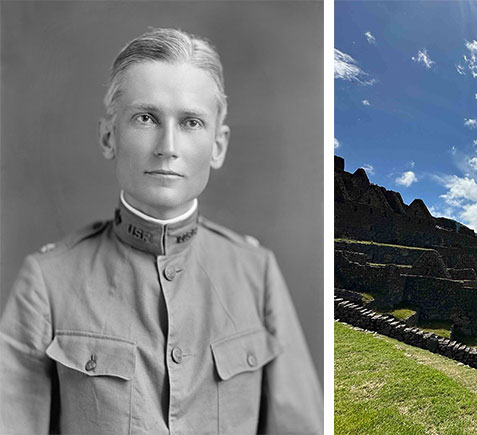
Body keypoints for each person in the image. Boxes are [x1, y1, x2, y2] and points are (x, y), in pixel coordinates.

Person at [0, 28, 322, 434]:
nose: (167, 146)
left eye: (190, 122)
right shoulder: (48, 280)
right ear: (108, 135)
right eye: (146, 117)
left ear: (218, 146)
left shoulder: (256, 273)